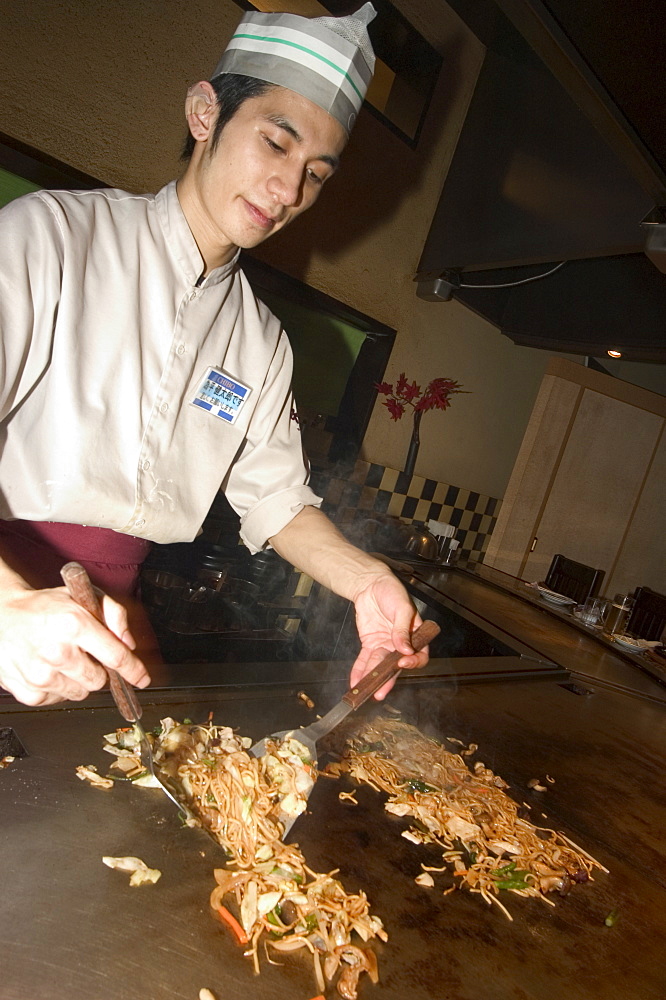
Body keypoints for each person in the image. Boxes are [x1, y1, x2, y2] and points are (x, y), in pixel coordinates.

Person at [0, 3, 429, 707]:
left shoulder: (260, 341)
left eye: (317, 174)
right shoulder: (53, 237)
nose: (289, 191)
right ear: (206, 114)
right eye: (276, 143)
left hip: (115, 626)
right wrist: (6, 607)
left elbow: (278, 500)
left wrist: (368, 580)